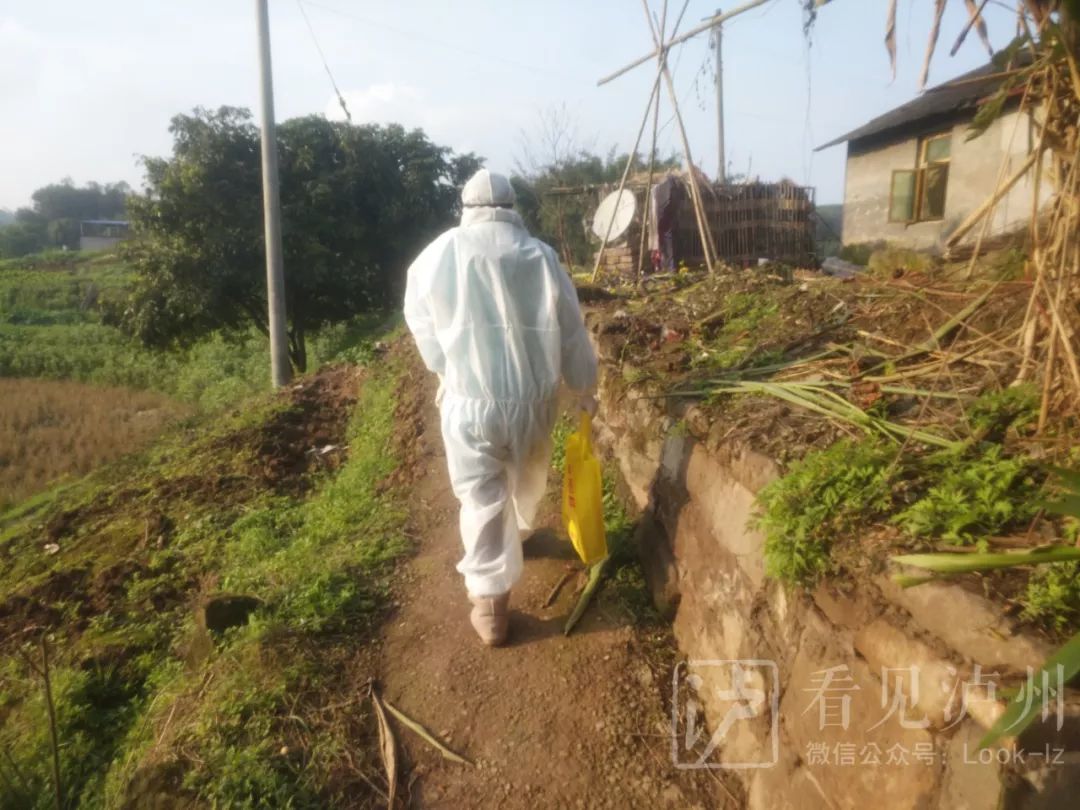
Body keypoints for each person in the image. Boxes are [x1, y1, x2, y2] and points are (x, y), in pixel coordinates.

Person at [403, 169, 598, 646]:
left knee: (482, 495)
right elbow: (571, 329)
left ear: (466, 207)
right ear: (512, 206)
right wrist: (584, 386)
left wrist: (443, 366)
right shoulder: (541, 257)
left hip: (469, 400)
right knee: (526, 475)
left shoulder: (438, 254)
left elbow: (419, 319)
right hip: (533, 400)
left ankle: (491, 606)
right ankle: (522, 533)